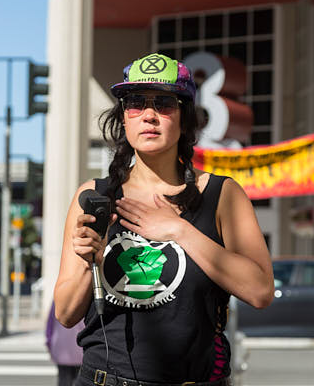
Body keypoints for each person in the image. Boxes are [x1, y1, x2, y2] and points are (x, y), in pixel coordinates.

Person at [54, 53, 274, 386]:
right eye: (136, 103)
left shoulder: (221, 194)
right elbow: (66, 314)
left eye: (164, 104)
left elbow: (260, 291)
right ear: (123, 118)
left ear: (185, 120)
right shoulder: (94, 196)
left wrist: (178, 230)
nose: (149, 116)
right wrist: (90, 262)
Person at [46, 302, 84, 386]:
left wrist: (49, 343)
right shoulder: (85, 295)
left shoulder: (58, 297)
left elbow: (50, 324)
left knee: (63, 380)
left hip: (60, 349)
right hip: (80, 350)